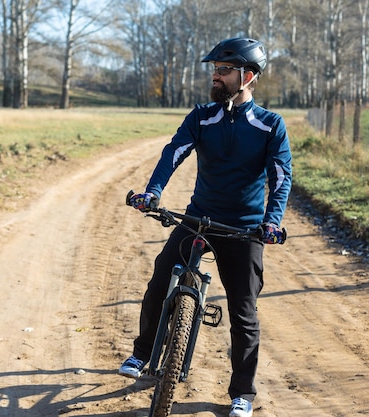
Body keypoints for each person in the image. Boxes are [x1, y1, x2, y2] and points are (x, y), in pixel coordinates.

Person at [119, 37, 292, 417]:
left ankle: (242, 393)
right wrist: (152, 192)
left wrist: (271, 222)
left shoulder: (270, 125)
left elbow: (281, 178)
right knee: (160, 278)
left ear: (248, 77)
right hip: (198, 218)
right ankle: (142, 354)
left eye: (224, 70)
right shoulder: (201, 116)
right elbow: (175, 152)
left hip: (244, 229)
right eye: (214, 69)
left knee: (244, 312)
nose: (215, 76)